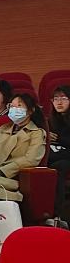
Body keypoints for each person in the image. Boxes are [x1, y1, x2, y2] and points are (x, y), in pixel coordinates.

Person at [0, 93, 46, 202]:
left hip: (13, 177)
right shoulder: (0, 130)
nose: (14, 109)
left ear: (30, 110)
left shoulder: (37, 133)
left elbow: (30, 160)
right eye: (12, 106)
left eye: (19, 106)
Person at [48, 85, 70, 227]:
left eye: (63, 98)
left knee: (58, 166)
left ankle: (57, 214)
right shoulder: (50, 121)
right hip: (56, 154)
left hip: (66, 157)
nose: (59, 102)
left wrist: (58, 139)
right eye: (56, 99)